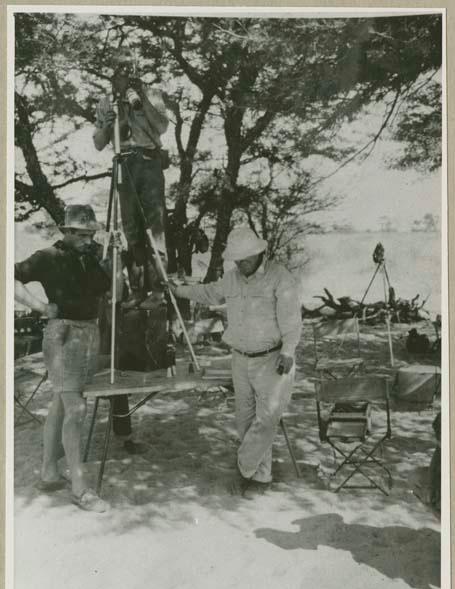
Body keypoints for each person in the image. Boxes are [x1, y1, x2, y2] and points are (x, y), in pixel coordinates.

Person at [168, 227, 302, 497]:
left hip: (272, 359)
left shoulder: (279, 277)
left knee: (267, 419)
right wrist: (178, 291)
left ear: (259, 252)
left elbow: (291, 320)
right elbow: (208, 293)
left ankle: (244, 465)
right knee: (245, 421)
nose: (242, 264)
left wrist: (288, 351)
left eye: (246, 258)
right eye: (237, 259)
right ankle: (259, 478)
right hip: (239, 359)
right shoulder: (231, 279)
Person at [14, 205, 124, 512]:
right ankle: (80, 488)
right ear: (67, 231)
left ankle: (49, 471)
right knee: (75, 408)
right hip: (62, 335)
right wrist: (38, 306)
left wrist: (116, 260)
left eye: (92, 234)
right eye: (83, 234)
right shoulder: (47, 257)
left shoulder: (94, 256)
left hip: (91, 334)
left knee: (62, 404)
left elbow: (117, 293)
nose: (89, 239)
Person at [93, 46, 169, 309]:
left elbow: (162, 126)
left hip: (148, 161)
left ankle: (158, 291)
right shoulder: (105, 102)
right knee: (131, 230)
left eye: (129, 69)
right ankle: (137, 290)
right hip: (124, 162)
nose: (123, 74)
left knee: (154, 228)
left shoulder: (152, 93)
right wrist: (107, 124)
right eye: (119, 70)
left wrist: (141, 101)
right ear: (112, 75)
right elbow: (98, 143)